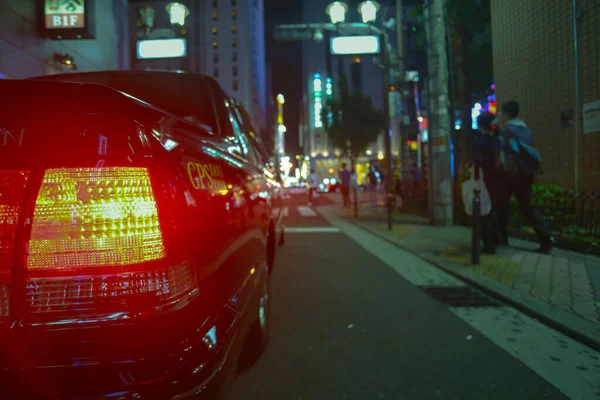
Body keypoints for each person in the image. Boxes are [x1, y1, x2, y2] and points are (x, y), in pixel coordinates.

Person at [496, 100, 555, 253]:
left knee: (501, 205)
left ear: (507, 114)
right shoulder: (526, 130)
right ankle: (546, 237)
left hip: (510, 174)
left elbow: (503, 154)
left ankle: (502, 239)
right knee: (527, 207)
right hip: (527, 174)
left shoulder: (506, 130)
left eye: (502, 113)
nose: (500, 116)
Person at [472, 111, 502, 254]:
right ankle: (496, 240)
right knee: (493, 210)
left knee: (483, 212)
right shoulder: (497, 140)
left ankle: (489, 245)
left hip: (484, 180)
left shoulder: (479, 141)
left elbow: (477, 163)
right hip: (498, 179)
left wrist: (475, 180)